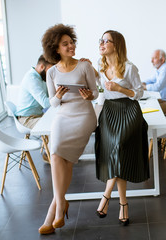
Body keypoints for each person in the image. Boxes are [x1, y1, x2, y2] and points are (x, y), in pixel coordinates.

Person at [38, 24, 98, 235]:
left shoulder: (84, 66)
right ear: (56, 49)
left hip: (83, 116)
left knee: (67, 159)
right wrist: (59, 96)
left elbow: (96, 93)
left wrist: (89, 95)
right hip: (63, 115)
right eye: (66, 44)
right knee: (56, 155)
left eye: (72, 42)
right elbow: (52, 103)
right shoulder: (51, 72)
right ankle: (60, 206)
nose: (71, 46)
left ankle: (54, 211)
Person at [94, 30, 149, 226]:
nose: (101, 43)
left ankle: (106, 196)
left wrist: (120, 89)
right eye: (100, 40)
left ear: (116, 45)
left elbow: (139, 93)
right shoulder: (100, 68)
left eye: (105, 41)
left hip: (128, 112)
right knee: (118, 156)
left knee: (118, 149)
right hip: (109, 113)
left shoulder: (129, 68)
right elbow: (100, 94)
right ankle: (123, 204)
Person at [15, 55, 53, 129]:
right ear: (42, 67)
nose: (51, 73)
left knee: (60, 119)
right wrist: (59, 97)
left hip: (37, 115)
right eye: (50, 70)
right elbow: (45, 103)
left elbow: (50, 97)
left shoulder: (41, 78)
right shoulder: (32, 79)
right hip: (27, 119)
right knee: (55, 124)